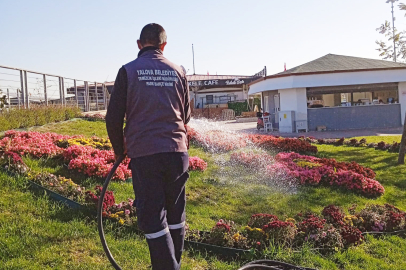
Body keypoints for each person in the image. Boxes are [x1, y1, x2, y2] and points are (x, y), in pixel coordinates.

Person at [106, 23, 191, 270]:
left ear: (139, 44)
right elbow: (186, 117)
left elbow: (113, 118)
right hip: (177, 154)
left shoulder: (128, 71)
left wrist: (119, 149)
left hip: (146, 155)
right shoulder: (179, 71)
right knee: (175, 216)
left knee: (153, 219)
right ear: (164, 45)